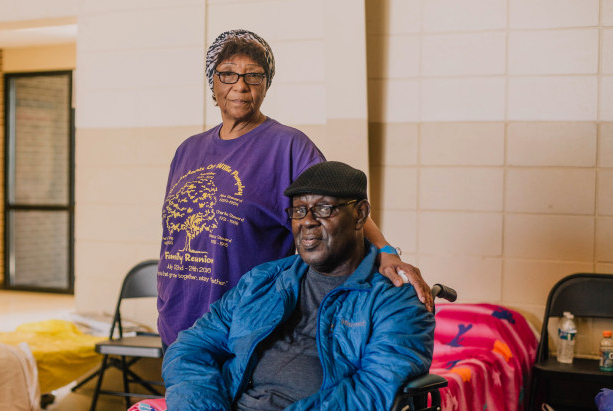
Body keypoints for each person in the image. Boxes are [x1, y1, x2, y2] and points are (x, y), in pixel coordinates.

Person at [99, 161, 436, 411]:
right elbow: (191, 346)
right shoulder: (265, 281)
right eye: (299, 211)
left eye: (323, 210)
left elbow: (372, 392)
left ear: (361, 214)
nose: (308, 223)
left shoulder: (396, 299)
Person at [157, 29, 432, 347]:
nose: (240, 86)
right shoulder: (188, 150)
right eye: (228, 75)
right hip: (177, 323)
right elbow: (172, 237)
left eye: (254, 76)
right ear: (213, 83)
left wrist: (384, 251)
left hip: (240, 329)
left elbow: (339, 205)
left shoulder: (287, 146)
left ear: (266, 84)